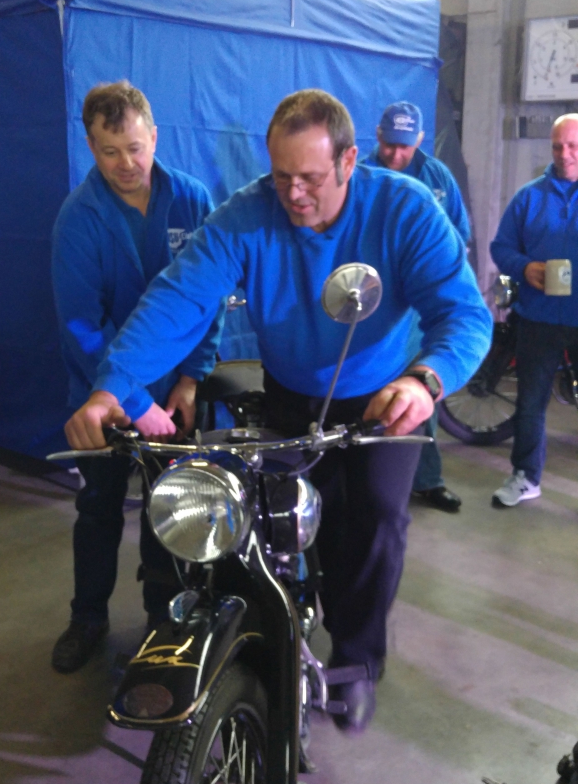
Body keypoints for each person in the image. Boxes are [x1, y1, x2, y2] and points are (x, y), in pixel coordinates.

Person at [65, 89, 491, 732]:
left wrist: (425, 381)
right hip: (292, 392)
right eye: (281, 175)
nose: (293, 194)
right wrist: (112, 386)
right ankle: (277, 633)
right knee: (272, 525)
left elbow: (464, 314)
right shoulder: (248, 214)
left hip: (385, 399)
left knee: (375, 522)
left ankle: (357, 659)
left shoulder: (404, 209)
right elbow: (179, 298)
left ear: (349, 160)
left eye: (310, 178)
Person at [50, 81, 223, 673]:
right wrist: (134, 398)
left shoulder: (192, 199)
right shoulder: (78, 220)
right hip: (104, 396)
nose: (125, 163)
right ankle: (87, 617)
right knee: (99, 507)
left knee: (170, 509)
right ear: (90, 147)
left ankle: (162, 622)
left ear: (154, 135)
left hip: (176, 396)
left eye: (134, 147)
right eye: (109, 151)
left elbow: (209, 298)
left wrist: (192, 378)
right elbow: (81, 324)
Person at [365, 101, 471, 513]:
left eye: (405, 146)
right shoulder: (360, 176)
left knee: (420, 391)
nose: (396, 154)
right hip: (373, 305)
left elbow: (460, 235)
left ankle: (427, 480)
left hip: (421, 307)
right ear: (378, 135)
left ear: (420, 140)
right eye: (390, 144)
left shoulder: (437, 177)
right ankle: (370, 480)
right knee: (370, 389)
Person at [490, 114, 578, 507]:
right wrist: (524, 268)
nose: (564, 154)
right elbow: (501, 247)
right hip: (538, 318)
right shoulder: (528, 197)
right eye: (558, 146)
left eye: (573, 146)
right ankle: (525, 476)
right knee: (530, 404)